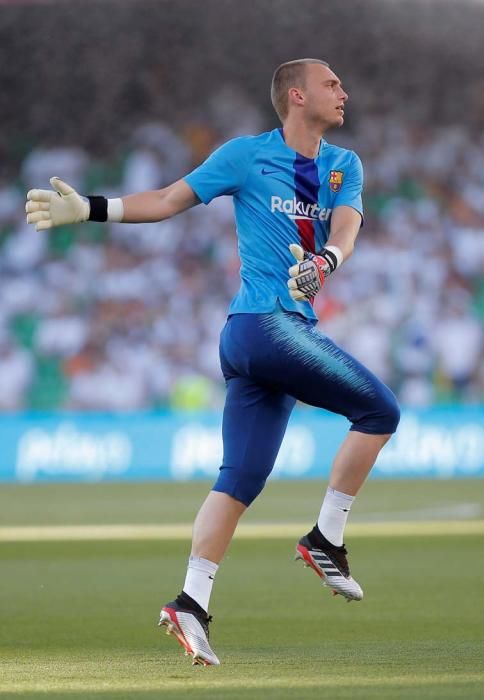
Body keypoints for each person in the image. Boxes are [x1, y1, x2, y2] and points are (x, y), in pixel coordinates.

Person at [26, 58, 400, 666]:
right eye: (332, 85)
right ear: (297, 95)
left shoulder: (343, 165)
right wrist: (93, 208)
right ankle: (326, 537)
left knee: (241, 478)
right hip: (263, 326)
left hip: (268, 341)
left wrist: (328, 260)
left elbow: (347, 231)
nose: (345, 93)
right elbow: (171, 199)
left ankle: (190, 604)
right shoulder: (245, 155)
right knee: (380, 410)